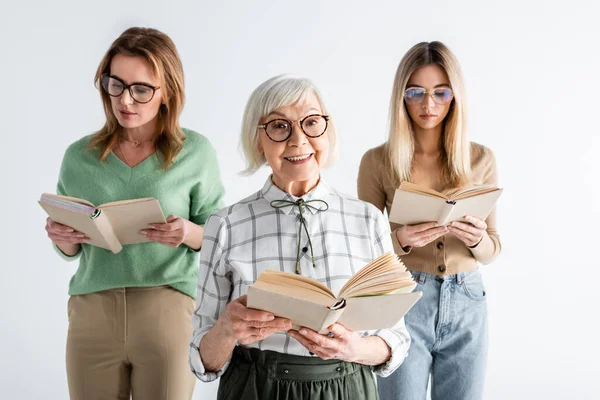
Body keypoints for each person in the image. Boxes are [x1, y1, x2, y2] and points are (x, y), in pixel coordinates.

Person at [189, 74, 411, 400]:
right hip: (254, 386)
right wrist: (226, 329)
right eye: (279, 126)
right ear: (257, 140)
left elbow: (397, 339)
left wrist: (357, 349)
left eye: (311, 122)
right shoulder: (225, 225)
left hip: (347, 386)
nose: (298, 139)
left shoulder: (367, 219)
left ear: (327, 130)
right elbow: (202, 362)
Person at [44, 27, 224, 399]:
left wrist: (186, 232)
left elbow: (220, 234)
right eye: (115, 84)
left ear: (167, 92)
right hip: (91, 312)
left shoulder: (196, 152)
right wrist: (62, 240)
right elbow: (70, 248)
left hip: (167, 308)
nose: (126, 100)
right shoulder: (79, 156)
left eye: (141, 89)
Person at [358, 41, 501, 400]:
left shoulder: (480, 158)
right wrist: (401, 239)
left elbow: (492, 249)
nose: (428, 104)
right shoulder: (378, 161)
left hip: (468, 296)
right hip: (404, 297)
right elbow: (360, 252)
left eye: (441, 92)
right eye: (416, 92)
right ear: (401, 96)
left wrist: (476, 239)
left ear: (455, 96)